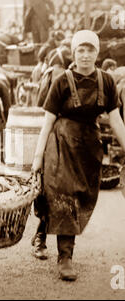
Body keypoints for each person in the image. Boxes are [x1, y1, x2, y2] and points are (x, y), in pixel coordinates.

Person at [31, 30, 125, 281]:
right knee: (67, 197)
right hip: (62, 144)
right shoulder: (62, 81)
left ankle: (41, 230)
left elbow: (115, 121)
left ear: (97, 53)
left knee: (81, 197)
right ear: (74, 53)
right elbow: (47, 122)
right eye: (80, 50)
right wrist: (38, 157)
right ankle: (65, 258)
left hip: (90, 149)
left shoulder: (107, 81)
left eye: (90, 50)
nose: (85, 55)